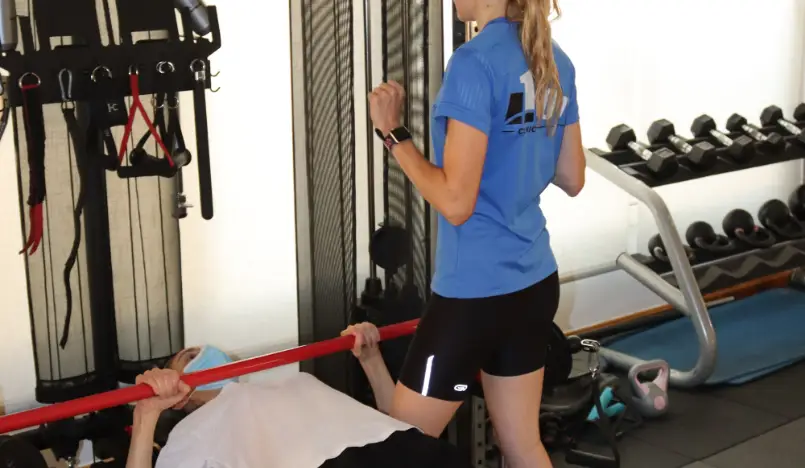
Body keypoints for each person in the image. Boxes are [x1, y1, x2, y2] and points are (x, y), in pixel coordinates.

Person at [367, 0, 584, 467]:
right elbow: (572, 176)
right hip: (533, 282)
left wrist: (392, 133)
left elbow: (455, 203)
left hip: (474, 297)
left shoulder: (473, 63)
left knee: (397, 449)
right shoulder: (554, 59)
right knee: (523, 445)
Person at [125, 323, 468, 468]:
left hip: (408, 451)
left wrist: (370, 359)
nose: (203, 353)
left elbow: (396, 425)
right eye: (189, 356)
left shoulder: (291, 384)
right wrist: (146, 414)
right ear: (180, 396)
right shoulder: (192, 431)